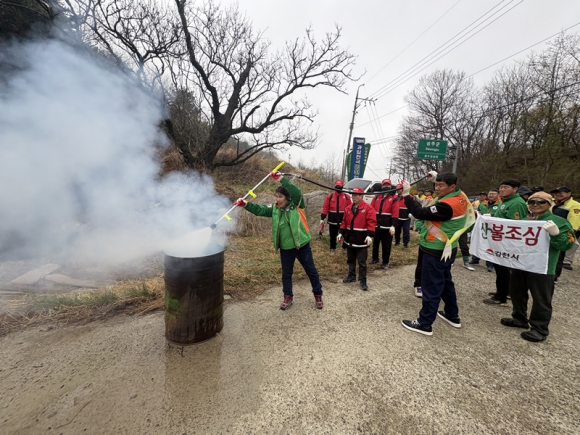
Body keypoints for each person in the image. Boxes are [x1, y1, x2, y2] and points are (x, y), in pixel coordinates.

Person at [235, 171, 323, 310]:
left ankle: (318, 295)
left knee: (311, 271)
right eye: (276, 196)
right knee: (286, 274)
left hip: (302, 246)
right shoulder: (275, 209)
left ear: (287, 198)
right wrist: (245, 204)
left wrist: (281, 179)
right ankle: (288, 297)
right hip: (285, 248)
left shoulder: (297, 205)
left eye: (280, 196)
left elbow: (297, 192)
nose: (277, 199)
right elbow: (260, 210)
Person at [400, 172, 470, 336]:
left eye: (440, 185)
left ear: (452, 186)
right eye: (436, 185)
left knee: (431, 286)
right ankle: (452, 315)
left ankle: (425, 323)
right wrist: (436, 178)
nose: (437, 188)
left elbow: (420, 213)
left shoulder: (447, 205)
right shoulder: (460, 196)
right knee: (445, 283)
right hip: (447, 247)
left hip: (435, 249)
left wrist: (406, 196)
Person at [500, 191, 575, 342]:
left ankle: (540, 329)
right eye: (532, 202)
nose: (535, 205)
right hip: (521, 263)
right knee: (517, 292)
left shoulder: (559, 221)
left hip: (543, 266)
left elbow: (567, 244)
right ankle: (519, 318)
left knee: (541, 298)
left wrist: (556, 234)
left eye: (540, 202)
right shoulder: (523, 220)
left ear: (549, 204)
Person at [483, 179, 529, 306]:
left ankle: (501, 297)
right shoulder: (506, 201)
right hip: (500, 240)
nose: (502, 189)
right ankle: (504, 291)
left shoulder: (516, 203)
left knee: (503, 269)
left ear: (515, 189)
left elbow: (514, 225)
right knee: (500, 268)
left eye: (506, 187)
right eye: (501, 187)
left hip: (506, 242)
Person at [338, 187, 376, 291]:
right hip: (350, 239)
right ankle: (351, 275)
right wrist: (340, 233)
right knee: (350, 259)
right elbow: (344, 222)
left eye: (356, 195)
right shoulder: (348, 208)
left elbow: (371, 222)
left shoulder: (368, 208)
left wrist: (369, 235)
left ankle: (363, 279)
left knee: (362, 261)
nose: (353, 197)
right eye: (352, 195)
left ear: (361, 196)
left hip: (361, 239)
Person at [469, 189, 501, 272]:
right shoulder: (482, 204)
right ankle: (475, 259)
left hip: (492, 228)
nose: (491, 195)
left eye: (493, 194)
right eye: (490, 194)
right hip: (481, 227)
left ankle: (489, 264)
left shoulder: (500, 205)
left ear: (498, 195)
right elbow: (478, 212)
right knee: (478, 242)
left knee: (490, 245)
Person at [369, 179, 398, 269]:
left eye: (388, 185)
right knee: (375, 243)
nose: (386, 186)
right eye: (384, 185)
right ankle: (375, 258)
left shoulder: (394, 198)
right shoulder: (376, 197)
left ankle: (385, 262)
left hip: (387, 226)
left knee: (386, 245)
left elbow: (395, 213)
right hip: (377, 225)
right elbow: (371, 210)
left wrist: (393, 225)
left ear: (390, 186)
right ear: (382, 186)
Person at [552, 187, 580, 272]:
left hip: (562, 233)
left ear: (569, 193)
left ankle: (556, 274)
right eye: (556, 192)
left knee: (559, 255)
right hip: (549, 230)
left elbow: (574, 221)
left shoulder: (575, 205)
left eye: (561, 192)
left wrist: (570, 233)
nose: (558, 194)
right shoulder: (551, 202)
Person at [320, 180, 352, 254]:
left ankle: (345, 247)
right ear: (335, 186)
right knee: (332, 235)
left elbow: (350, 208)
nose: (338, 188)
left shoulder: (346, 197)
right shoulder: (330, 196)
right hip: (332, 220)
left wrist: (350, 218)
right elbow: (325, 207)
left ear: (342, 186)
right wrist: (322, 218)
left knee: (346, 234)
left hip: (343, 220)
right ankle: (332, 248)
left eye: (340, 186)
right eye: (337, 186)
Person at [394, 183, 411, 248]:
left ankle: (405, 243)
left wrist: (411, 212)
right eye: (397, 189)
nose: (398, 190)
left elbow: (412, 205)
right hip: (398, 218)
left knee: (406, 231)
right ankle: (397, 242)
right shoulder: (395, 197)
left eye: (399, 189)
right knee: (397, 231)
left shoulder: (408, 197)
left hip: (406, 218)